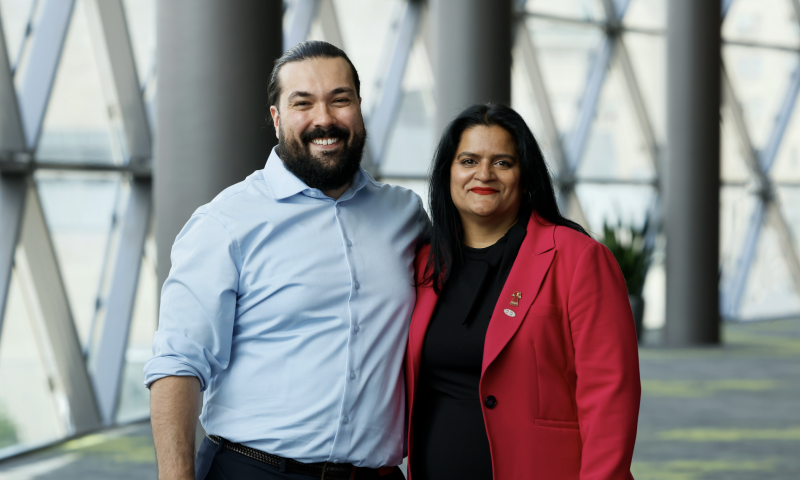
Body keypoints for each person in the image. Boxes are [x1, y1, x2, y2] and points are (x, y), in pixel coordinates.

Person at [144, 41, 428, 480]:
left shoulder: (406, 216)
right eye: (303, 103)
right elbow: (178, 364)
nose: (325, 119)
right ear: (277, 119)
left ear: (359, 108)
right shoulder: (226, 221)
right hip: (251, 471)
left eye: (340, 99)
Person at [405, 104, 641, 480]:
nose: (483, 174)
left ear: (525, 176)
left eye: (502, 162)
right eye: (468, 160)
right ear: (447, 174)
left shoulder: (577, 258)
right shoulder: (422, 264)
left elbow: (610, 396)